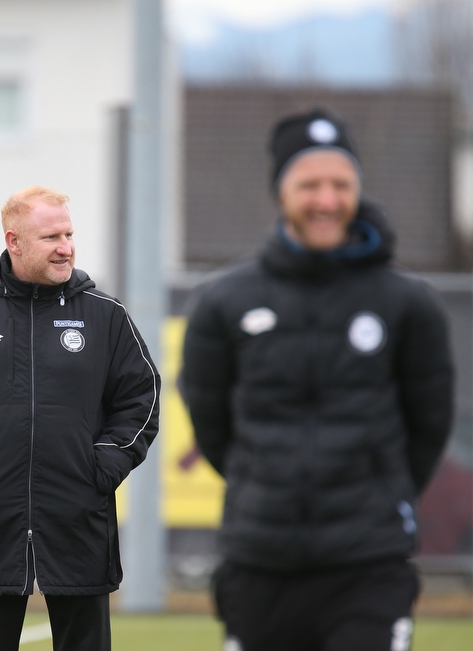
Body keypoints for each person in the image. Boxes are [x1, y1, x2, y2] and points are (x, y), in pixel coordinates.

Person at [180, 108, 455, 651]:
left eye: (341, 184)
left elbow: (429, 424)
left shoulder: (408, 303)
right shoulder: (223, 302)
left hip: (368, 565)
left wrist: (381, 491)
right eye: (310, 184)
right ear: (280, 193)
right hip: (259, 561)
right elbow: (213, 426)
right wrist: (263, 480)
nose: (326, 200)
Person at [0, 186, 161, 651]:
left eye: (69, 234)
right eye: (50, 237)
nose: (65, 247)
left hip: (79, 519)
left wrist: (102, 465)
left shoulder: (105, 315)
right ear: (14, 242)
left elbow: (141, 398)